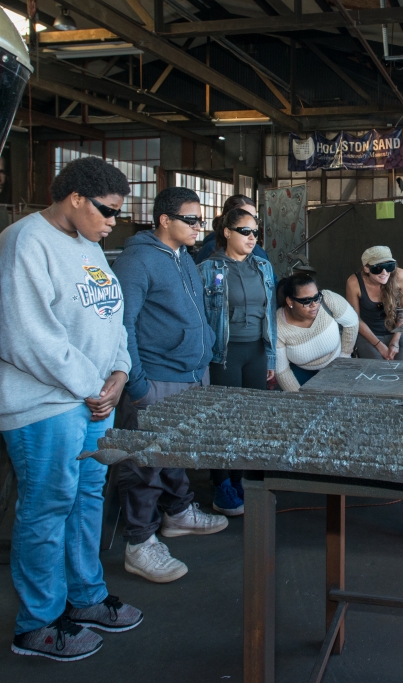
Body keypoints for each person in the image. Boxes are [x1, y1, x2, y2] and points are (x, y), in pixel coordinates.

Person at [0, 157, 143, 661]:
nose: (112, 223)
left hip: (94, 401)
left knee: (86, 501)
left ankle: (84, 598)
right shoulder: (24, 242)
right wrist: (92, 386)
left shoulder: (89, 246)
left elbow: (112, 318)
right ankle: (37, 625)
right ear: (75, 198)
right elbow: (27, 336)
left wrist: (120, 372)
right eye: (106, 211)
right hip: (47, 406)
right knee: (45, 508)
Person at [113, 187, 228, 585]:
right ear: (165, 220)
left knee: (177, 450)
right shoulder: (138, 260)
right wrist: (138, 384)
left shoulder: (184, 257)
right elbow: (122, 327)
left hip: (191, 374)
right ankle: (138, 544)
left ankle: (178, 514)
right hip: (157, 377)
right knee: (145, 462)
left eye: (201, 220)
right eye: (191, 220)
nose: (200, 227)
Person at [197, 206, 277, 515]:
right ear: (227, 233)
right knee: (223, 421)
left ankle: (240, 478)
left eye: (255, 232)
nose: (252, 237)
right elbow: (201, 317)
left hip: (256, 351)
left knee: (249, 419)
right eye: (245, 231)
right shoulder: (207, 269)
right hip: (224, 355)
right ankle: (221, 485)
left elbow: (268, 313)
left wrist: (270, 356)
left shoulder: (262, 266)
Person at [275, 272, 359, 391]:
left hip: (337, 363)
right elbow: (282, 370)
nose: (314, 305)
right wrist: (299, 398)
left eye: (316, 297)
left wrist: (345, 356)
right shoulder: (279, 326)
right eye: (306, 301)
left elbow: (352, 322)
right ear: (289, 302)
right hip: (302, 371)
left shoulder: (328, 300)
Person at [345, 246, 403, 361]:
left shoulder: (401, 276)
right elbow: (356, 319)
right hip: (369, 334)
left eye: (389, 266)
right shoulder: (354, 282)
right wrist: (379, 346)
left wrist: (395, 340)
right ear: (366, 268)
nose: (384, 272)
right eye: (378, 268)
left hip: (398, 331)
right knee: (376, 371)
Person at [192, 194, 269, 264]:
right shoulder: (211, 250)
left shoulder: (259, 251)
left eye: (254, 218)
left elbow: (271, 279)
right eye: (244, 216)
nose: (251, 221)